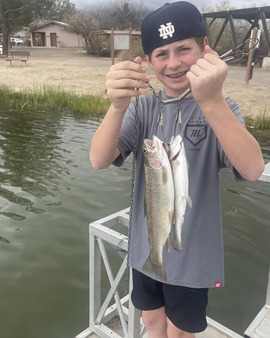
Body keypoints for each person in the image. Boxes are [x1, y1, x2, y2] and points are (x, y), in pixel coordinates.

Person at [90, 2, 265, 337]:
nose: (173, 63)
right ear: (149, 61)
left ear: (205, 49)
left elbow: (253, 169)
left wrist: (211, 100)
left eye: (184, 49)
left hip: (192, 256)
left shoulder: (222, 107)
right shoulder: (142, 107)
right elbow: (98, 160)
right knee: (152, 321)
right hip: (147, 248)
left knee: (180, 330)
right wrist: (116, 106)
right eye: (161, 54)